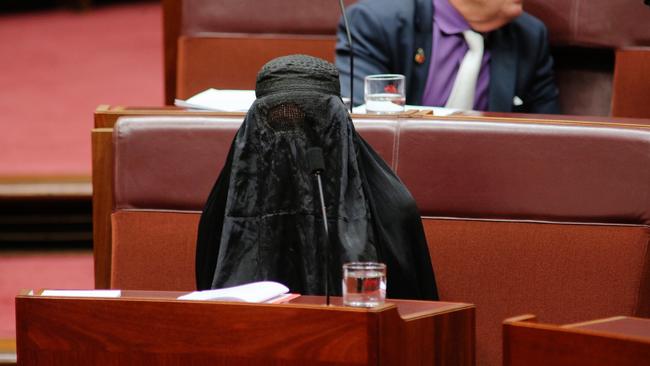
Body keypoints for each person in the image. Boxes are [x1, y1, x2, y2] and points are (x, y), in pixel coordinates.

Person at [195, 54, 439, 300]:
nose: (296, 141)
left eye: (313, 124)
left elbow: (414, 315)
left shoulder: (391, 212)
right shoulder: (222, 209)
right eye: (279, 121)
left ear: (340, 123)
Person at [336, 0, 560, 114]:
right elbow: (361, 125)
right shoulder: (376, 23)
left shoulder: (529, 37)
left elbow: (547, 135)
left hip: (491, 184)